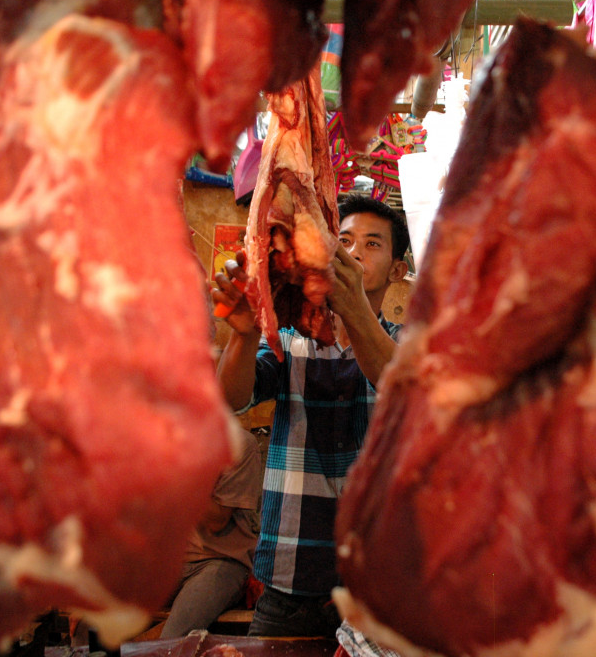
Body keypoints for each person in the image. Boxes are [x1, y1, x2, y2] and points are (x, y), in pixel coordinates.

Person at [211, 193, 410, 639]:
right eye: (344, 240)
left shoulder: (408, 343)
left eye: (373, 244)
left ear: (398, 270)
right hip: (290, 577)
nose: (354, 251)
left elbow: (408, 394)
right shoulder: (290, 338)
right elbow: (232, 399)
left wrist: (353, 304)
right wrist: (243, 335)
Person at [159, 425, 263, 638]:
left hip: (221, 560)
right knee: (95, 615)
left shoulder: (240, 445)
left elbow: (217, 521)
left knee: (172, 639)